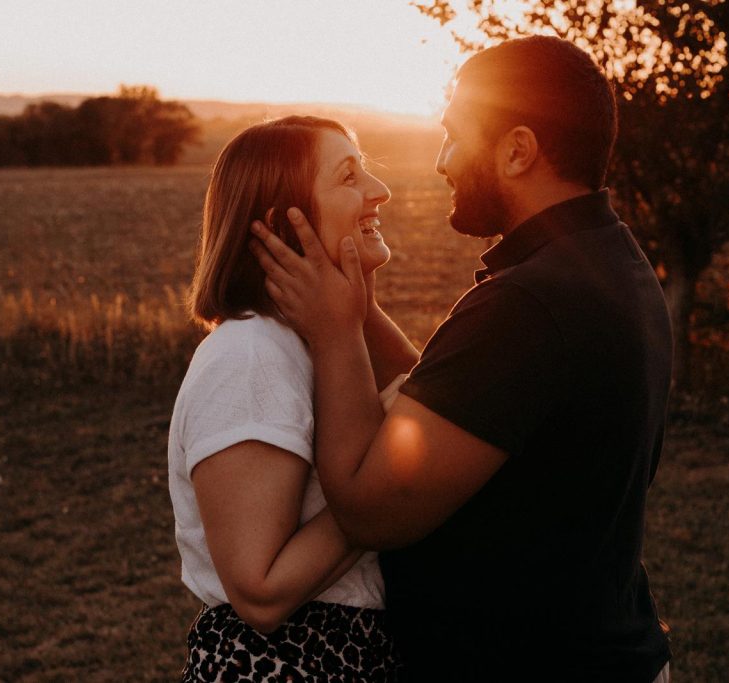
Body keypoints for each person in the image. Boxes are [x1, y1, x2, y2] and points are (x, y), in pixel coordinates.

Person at [250, 36, 673, 682]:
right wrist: (358, 309)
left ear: (517, 149)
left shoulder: (530, 304)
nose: (443, 161)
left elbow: (370, 506)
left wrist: (335, 334)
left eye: (453, 136)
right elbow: (458, 405)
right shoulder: (608, 261)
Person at [167, 115, 403, 681]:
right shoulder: (250, 357)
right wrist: (383, 483)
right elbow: (260, 591)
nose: (380, 191)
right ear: (282, 225)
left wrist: (355, 307)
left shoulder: (324, 341)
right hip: (287, 664)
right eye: (349, 177)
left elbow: (433, 406)